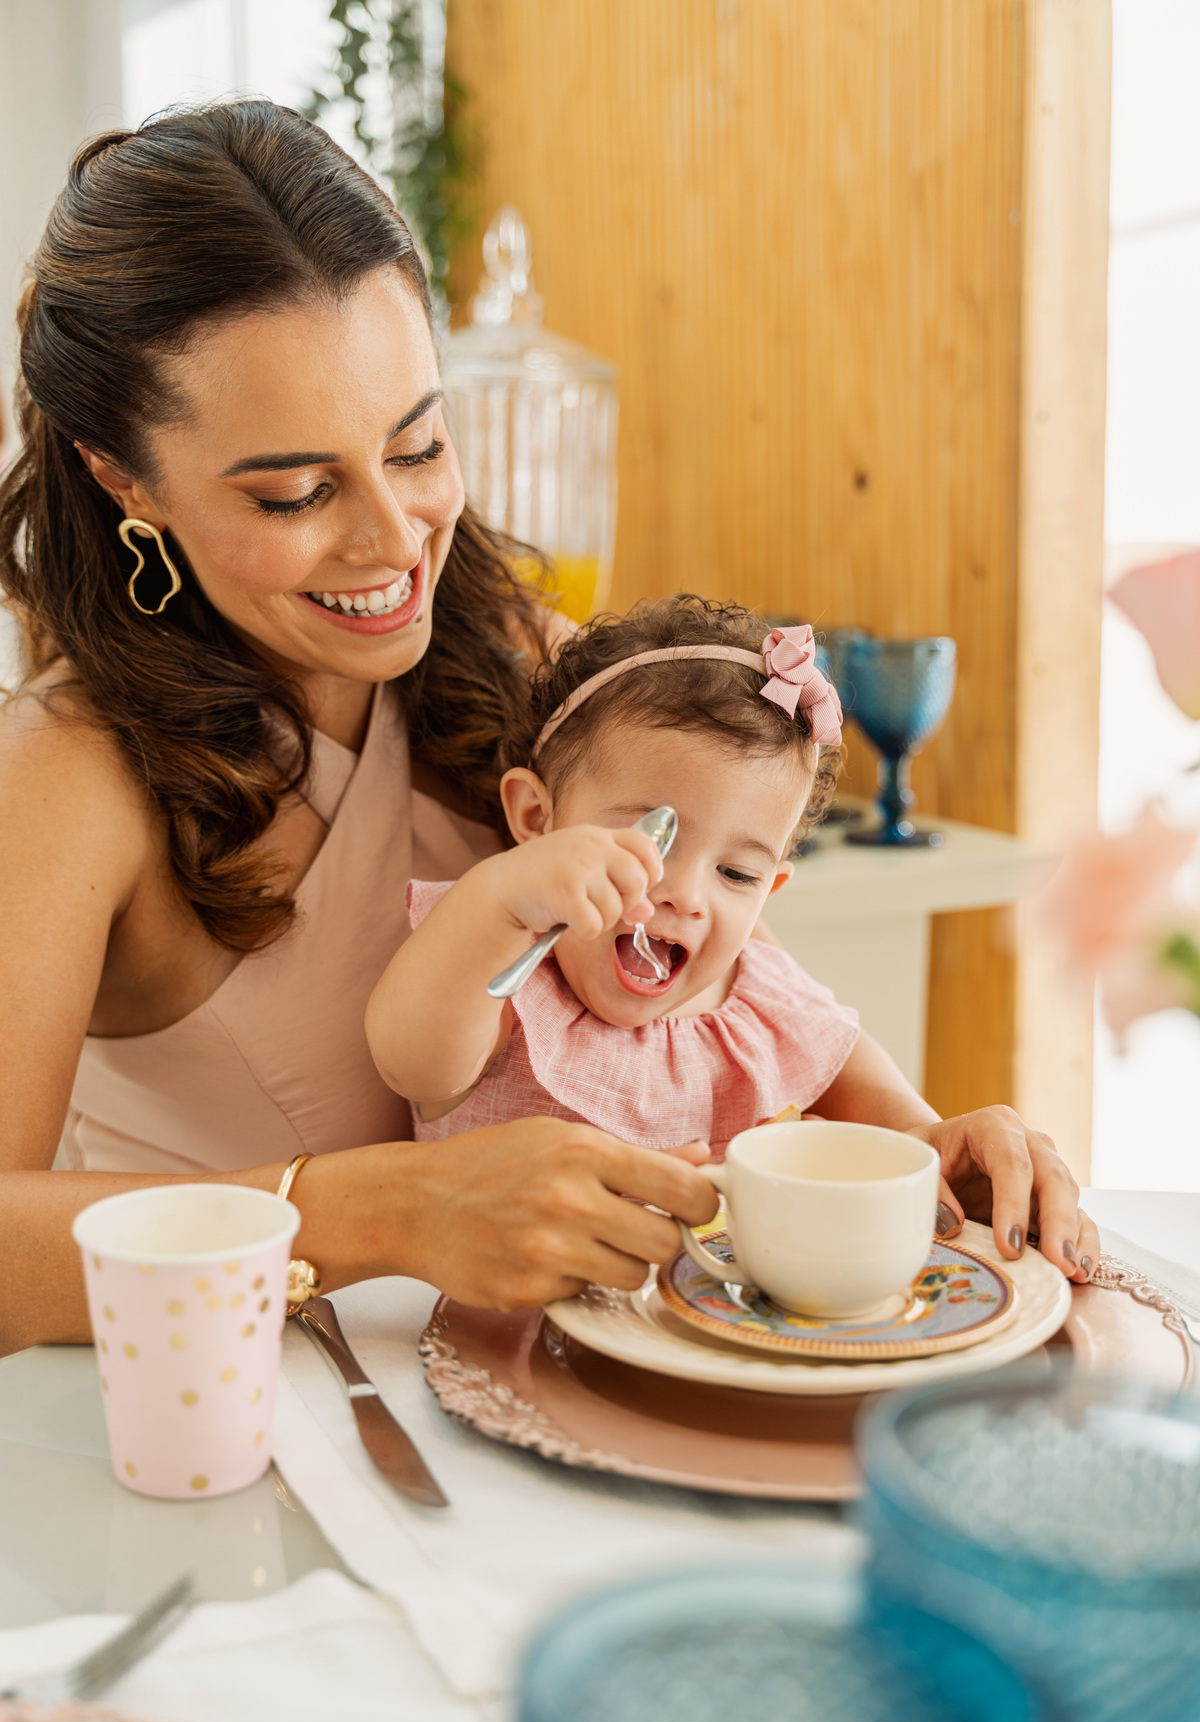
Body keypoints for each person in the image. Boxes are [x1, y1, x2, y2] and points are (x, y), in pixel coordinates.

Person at [0, 101, 1094, 1359]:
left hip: (551, 1404)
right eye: (297, 491)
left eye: (417, 446)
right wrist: (379, 1214)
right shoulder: (64, 775)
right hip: (231, 1437)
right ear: (119, 476)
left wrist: (915, 1137)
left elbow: (718, 978)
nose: (393, 539)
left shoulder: (499, 653)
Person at [367, 595, 1092, 1285]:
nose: (686, 893)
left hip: (726, 1346)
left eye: (738, 873)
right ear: (534, 816)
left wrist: (967, 1150)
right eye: (654, 837)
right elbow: (411, 1060)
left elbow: (914, 1148)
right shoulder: (509, 972)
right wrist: (501, 895)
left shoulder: (768, 1001)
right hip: (513, 1339)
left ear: (771, 891)